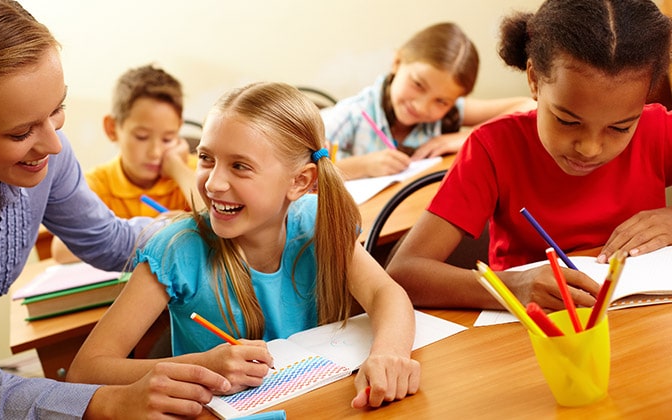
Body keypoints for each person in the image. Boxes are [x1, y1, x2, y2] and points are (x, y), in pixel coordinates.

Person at [0, 0, 231, 418]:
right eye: (21, 131)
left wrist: (217, 221)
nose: (53, 145)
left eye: (57, 109)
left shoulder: (43, 153)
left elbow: (110, 241)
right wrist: (114, 400)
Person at [66, 82, 421, 409]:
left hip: (322, 403)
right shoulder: (177, 248)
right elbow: (88, 369)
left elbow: (384, 294)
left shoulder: (318, 222)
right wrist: (202, 365)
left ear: (299, 181)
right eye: (206, 158)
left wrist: (389, 354)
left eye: (239, 166)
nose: (215, 183)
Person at [386, 0, 672, 312]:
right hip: (530, 336)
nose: (590, 148)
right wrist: (515, 287)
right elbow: (404, 272)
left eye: (619, 127)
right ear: (534, 79)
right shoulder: (493, 148)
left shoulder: (657, 130)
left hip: (644, 327)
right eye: (567, 121)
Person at [322, 22, 535, 180]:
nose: (422, 107)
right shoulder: (352, 114)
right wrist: (362, 166)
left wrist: (462, 138)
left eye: (441, 101)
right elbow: (298, 170)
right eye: (418, 85)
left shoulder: (450, 112)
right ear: (397, 62)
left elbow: (529, 107)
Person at [51, 64, 202, 263]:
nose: (155, 152)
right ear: (112, 128)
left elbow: (218, 222)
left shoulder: (191, 174)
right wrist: (153, 230)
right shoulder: (98, 183)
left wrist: (178, 169)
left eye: (167, 138)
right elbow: (60, 251)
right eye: (141, 137)